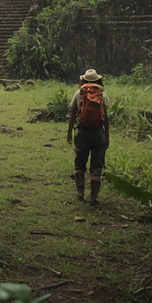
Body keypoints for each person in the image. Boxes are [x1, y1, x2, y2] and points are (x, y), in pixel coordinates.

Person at [67, 69, 110, 205]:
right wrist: (107, 136)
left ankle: (80, 194)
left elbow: (73, 115)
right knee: (96, 166)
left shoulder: (79, 94)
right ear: (98, 81)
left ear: (84, 80)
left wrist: (69, 132)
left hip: (83, 132)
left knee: (80, 164)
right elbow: (106, 118)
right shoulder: (102, 95)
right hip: (98, 133)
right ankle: (94, 197)